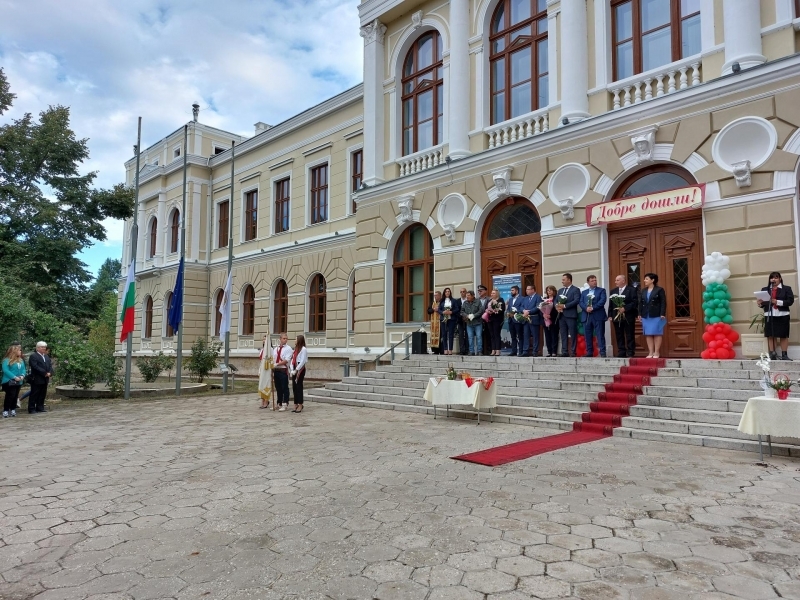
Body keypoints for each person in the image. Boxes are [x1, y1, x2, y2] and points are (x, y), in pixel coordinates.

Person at [758, 271, 794, 360]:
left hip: (782, 314)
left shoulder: (786, 289)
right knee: (771, 335)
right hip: (770, 315)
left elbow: (790, 301)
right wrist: (760, 304)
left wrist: (777, 302)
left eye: (776, 277)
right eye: (772, 277)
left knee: (783, 335)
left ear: (780, 279)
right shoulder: (765, 289)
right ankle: (772, 354)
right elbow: (763, 303)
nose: (773, 279)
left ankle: (784, 355)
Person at [608, 274, 638, 357]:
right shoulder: (613, 291)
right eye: (615, 280)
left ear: (623, 281)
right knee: (619, 334)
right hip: (616, 316)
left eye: (617, 280)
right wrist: (610, 314)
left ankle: (630, 351)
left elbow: (634, 302)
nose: (615, 282)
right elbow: (611, 304)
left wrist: (625, 308)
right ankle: (621, 351)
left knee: (629, 334)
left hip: (628, 316)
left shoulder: (631, 290)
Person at [638, 273, 667, 358]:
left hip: (657, 315)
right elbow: (640, 303)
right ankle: (650, 352)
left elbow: (663, 302)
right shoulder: (643, 290)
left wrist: (662, 313)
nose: (644, 281)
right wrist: (639, 313)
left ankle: (656, 352)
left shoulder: (659, 290)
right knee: (648, 333)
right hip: (646, 315)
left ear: (652, 280)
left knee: (657, 333)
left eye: (646, 279)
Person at [580, 275, 608, 357]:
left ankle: (602, 352)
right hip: (587, 315)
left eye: (595, 280)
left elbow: (602, 300)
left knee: (600, 334)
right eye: (592, 280)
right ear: (588, 282)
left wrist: (593, 308)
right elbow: (581, 302)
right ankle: (589, 352)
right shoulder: (584, 292)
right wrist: (586, 308)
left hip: (597, 315)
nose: (594, 282)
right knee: (587, 334)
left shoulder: (601, 290)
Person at [555, 274, 581, 357]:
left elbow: (576, 300)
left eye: (563, 279)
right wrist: (557, 307)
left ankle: (573, 351)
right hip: (561, 316)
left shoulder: (575, 289)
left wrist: (565, 306)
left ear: (569, 280)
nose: (562, 281)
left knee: (573, 334)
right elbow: (555, 300)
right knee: (563, 334)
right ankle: (564, 351)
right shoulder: (560, 290)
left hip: (570, 315)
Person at [28, 341, 53, 414]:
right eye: (42, 347)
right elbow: (35, 366)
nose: (44, 348)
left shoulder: (46, 356)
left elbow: (50, 366)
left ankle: (40, 407)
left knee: (42, 393)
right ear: (37, 348)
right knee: (34, 393)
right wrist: (44, 373)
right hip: (37, 378)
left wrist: (50, 372)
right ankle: (31, 408)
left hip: (45, 378)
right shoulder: (34, 356)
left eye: (45, 347)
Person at [2, 344, 25, 418]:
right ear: (14, 351)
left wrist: (22, 375)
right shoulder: (6, 360)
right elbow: (6, 370)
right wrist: (14, 377)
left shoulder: (20, 360)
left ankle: (13, 409)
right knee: (10, 395)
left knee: (15, 395)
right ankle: (5, 410)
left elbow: (24, 369)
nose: (20, 351)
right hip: (9, 381)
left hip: (19, 381)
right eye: (19, 350)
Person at [520, 285, 543, 357]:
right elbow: (521, 306)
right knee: (526, 335)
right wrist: (523, 310)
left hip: (534, 319)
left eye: (528, 289)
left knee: (535, 335)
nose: (526, 291)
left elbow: (538, 307)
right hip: (526, 319)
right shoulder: (525, 298)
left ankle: (535, 351)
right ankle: (525, 351)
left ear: (533, 290)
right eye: (526, 289)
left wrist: (529, 312)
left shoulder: (538, 297)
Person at [437, 287, 461, 355]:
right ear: (444, 293)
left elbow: (457, 309)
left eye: (448, 291)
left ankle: (450, 349)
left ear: (450, 293)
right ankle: (445, 349)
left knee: (451, 334)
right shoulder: (442, 301)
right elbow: (439, 309)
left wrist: (451, 312)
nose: (447, 292)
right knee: (444, 334)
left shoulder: (453, 300)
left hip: (451, 319)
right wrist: (443, 312)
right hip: (443, 319)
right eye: (446, 291)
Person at [272, 333, 293, 411]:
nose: (285, 340)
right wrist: (272, 365)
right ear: (280, 339)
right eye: (284, 338)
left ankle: (285, 403)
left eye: (286, 338)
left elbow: (287, 360)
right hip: (276, 370)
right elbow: (273, 358)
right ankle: (279, 403)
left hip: (283, 370)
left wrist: (277, 363)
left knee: (284, 387)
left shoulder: (288, 348)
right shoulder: (276, 349)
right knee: (278, 388)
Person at [461, 291, 483, 355]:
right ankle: (471, 351)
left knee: (479, 337)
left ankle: (479, 351)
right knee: (470, 337)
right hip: (469, 323)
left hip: (478, 323)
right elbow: (462, 311)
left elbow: (481, 310)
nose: (467, 297)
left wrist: (474, 315)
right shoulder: (465, 303)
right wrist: (466, 315)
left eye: (469, 295)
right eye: (467, 295)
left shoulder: (478, 301)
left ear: (473, 296)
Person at [290, 335, 308, 413]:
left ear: (299, 340)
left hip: (300, 369)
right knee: (294, 387)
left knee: (299, 386)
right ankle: (295, 403)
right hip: (294, 368)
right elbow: (292, 359)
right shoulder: (295, 349)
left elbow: (303, 360)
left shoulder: (303, 349)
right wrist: (291, 369)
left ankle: (300, 404)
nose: (294, 340)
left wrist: (296, 370)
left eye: (296, 339)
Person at [485, 289, 506, 356]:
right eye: (491, 293)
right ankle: (493, 350)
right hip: (490, 319)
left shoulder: (500, 300)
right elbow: (486, 307)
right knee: (492, 335)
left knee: (496, 334)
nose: (492, 294)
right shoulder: (489, 300)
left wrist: (495, 311)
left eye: (493, 293)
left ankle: (498, 350)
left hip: (497, 320)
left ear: (497, 294)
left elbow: (502, 309)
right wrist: (487, 311)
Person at [506, 285, 523, 356]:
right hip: (511, 320)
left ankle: (521, 351)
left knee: (520, 336)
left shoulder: (522, 298)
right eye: (511, 290)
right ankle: (514, 351)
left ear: (516, 291)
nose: (511, 292)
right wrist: (507, 313)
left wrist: (515, 313)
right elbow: (508, 308)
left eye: (512, 290)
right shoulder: (510, 299)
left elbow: (522, 308)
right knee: (513, 337)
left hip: (518, 320)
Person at [542, 285, 559, 357]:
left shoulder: (556, 299)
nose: (549, 292)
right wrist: (544, 315)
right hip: (546, 320)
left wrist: (550, 315)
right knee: (547, 336)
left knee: (554, 335)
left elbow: (557, 309)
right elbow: (541, 309)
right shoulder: (544, 299)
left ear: (554, 291)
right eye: (548, 290)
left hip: (554, 320)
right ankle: (549, 351)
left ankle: (554, 351)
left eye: (550, 290)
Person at [477, 285, 491, 356]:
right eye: (478, 291)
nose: (479, 292)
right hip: (478, 320)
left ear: (485, 291)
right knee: (480, 336)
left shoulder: (489, 299)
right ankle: (481, 351)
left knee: (488, 335)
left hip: (487, 320)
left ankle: (489, 350)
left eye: (481, 291)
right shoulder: (476, 300)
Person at [457, 288, 469, 355]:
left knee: (468, 335)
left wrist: (467, 316)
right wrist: (461, 316)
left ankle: (467, 350)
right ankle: (462, 350)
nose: (462, 293)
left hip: (468, 320)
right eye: (461, 292)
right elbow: (456, 310)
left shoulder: (469, 300)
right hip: (460, 320)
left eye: (463, 291)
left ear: (466, 292)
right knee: (461, 335)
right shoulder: (458, 301)